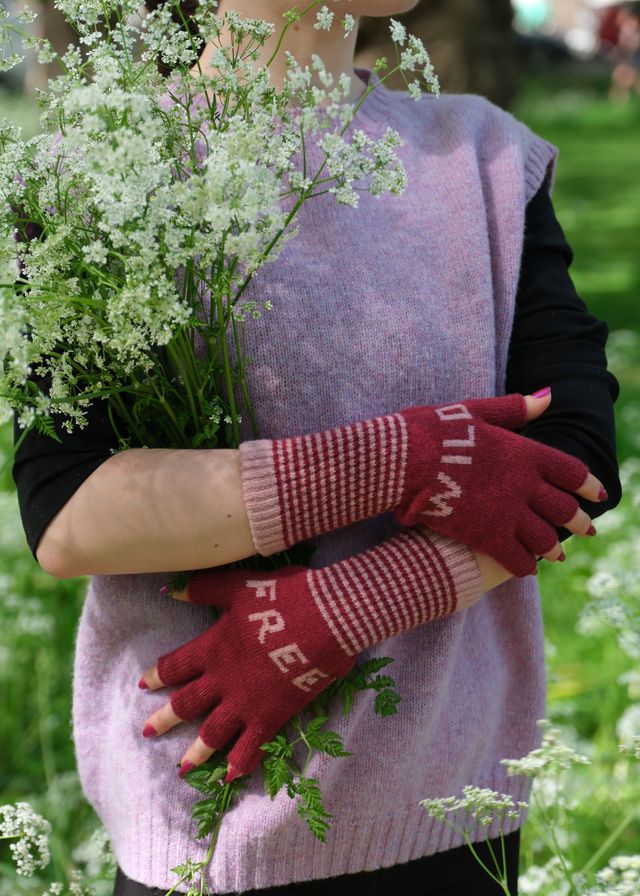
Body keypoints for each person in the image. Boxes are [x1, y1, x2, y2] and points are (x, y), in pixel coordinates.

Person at [12, 1, 621, 894]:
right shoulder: (91, 174)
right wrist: (398, 460)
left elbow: (575, 467)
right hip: (199, 811)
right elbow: (67, 512)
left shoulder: (484, 160)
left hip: (448, 814)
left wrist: (346, 609)